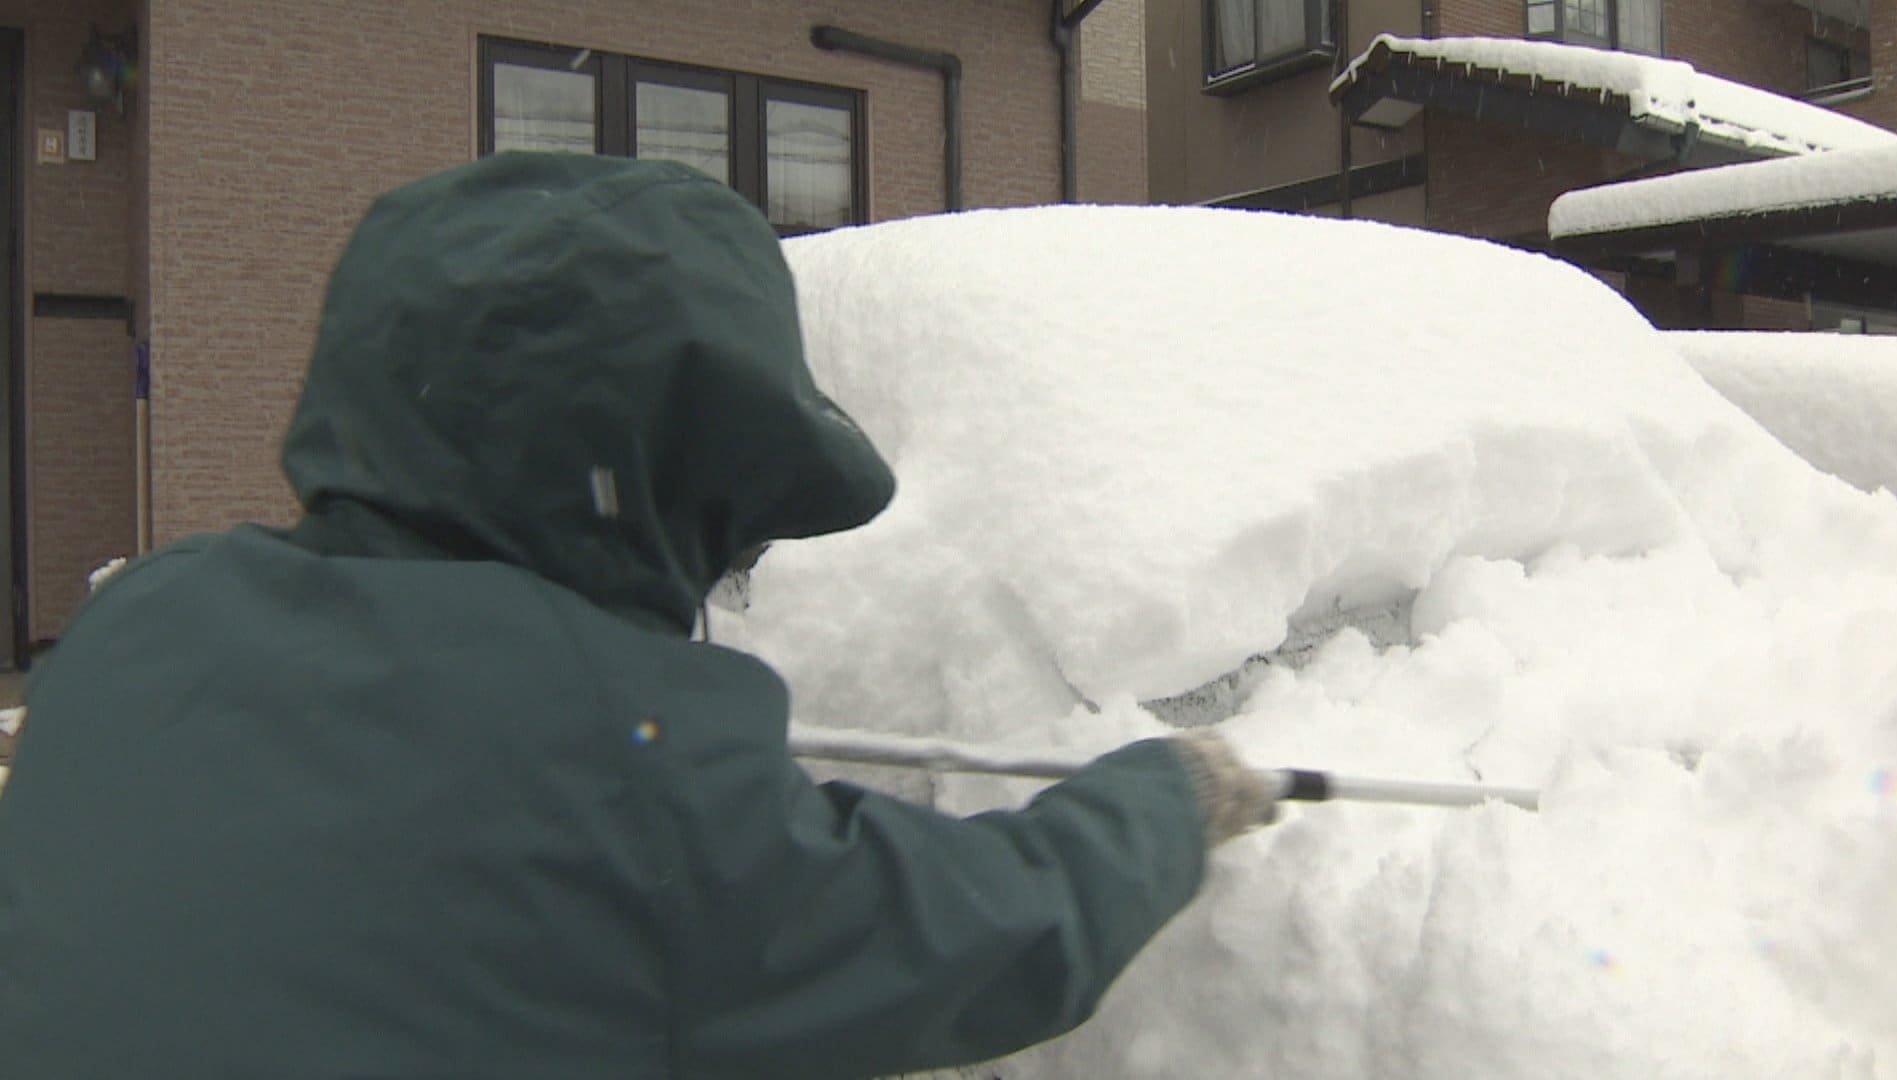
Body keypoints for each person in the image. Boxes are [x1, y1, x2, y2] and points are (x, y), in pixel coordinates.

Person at [0, 154, 1277, 1079]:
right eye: (733, 526)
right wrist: (1165, 801)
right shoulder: (623, 769)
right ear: (666, 477)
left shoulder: (135, 628)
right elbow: (974, 934)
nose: (731, 573)